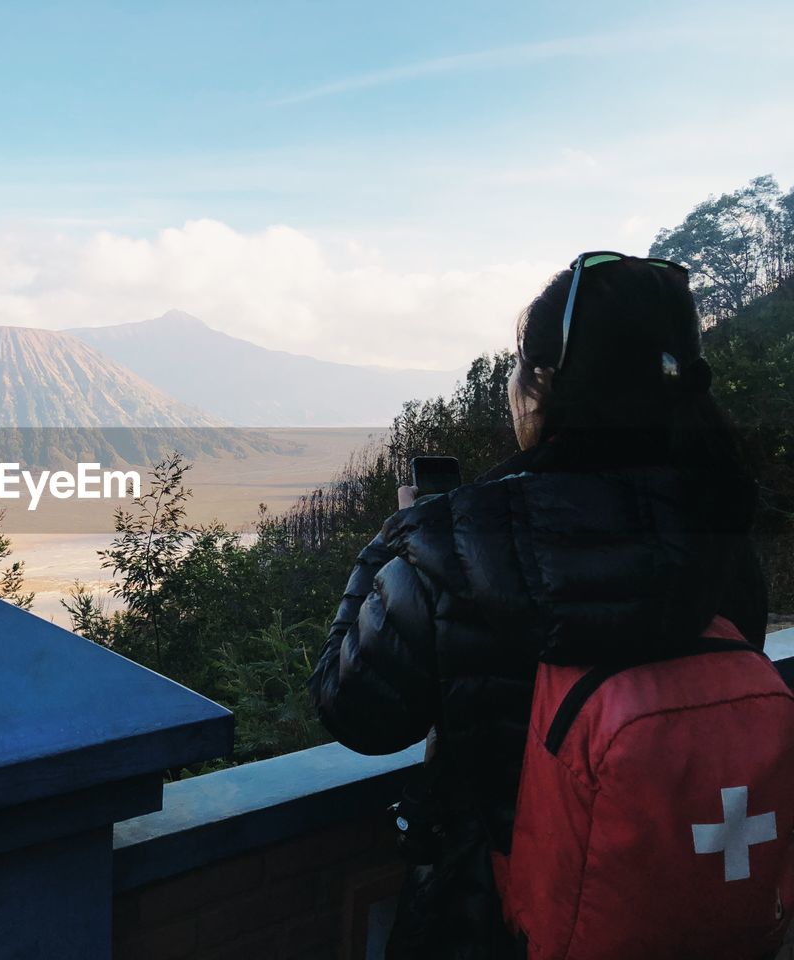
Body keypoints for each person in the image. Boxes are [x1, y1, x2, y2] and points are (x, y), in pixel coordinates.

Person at [308, 252, 769, 959]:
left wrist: (394, 539)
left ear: (544, 385)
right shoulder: (720, 524)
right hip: (676, 908)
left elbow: (355, 711)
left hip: (490, 916)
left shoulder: (456, 541)